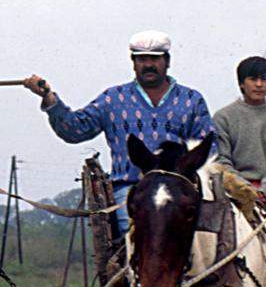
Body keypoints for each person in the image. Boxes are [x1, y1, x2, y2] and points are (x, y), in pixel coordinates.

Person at [24, 30, 216, 235]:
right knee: (138, 241)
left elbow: (209, 148)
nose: (149, 64)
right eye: (142, 59)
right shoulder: (113, 100)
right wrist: (49, 98)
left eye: (155, 58)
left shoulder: (191, 100)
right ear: (133, 62)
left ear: (167, 61)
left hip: (177, 189)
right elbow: (74, 130)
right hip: (131, 189)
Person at [212, 55, 266, 249]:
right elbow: (222, 160)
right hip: (234, 186)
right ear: (242, 84)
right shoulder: (223, 117)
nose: (259, 85)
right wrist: (244, 189)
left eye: (264, 79)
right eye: (253, 79)